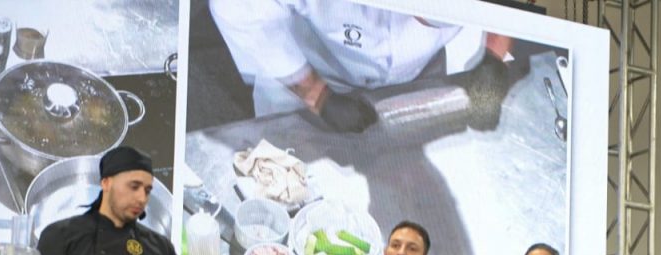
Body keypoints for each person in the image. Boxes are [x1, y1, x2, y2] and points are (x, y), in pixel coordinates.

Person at [209, 0, 515, 130]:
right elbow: (237, 10)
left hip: (424, 69)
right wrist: (319, 97)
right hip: (316, 68)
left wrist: (494, 56)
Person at [36, 147, 193, 255]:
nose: (142, 199)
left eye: (147, 191)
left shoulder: (161, 248)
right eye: (134, 187)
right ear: (106, 183)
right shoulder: (60, 235)